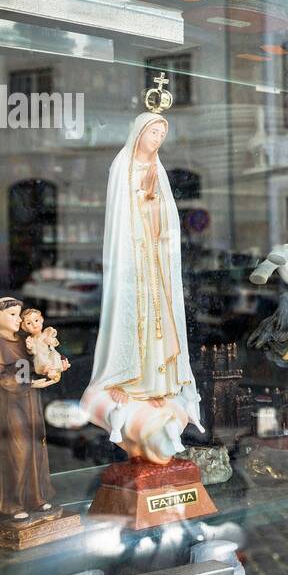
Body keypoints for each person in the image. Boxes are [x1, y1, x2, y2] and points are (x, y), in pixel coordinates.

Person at [81, 97, 203, 464]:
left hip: (154, 259)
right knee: (134, 321)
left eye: (161, 134)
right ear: (139, 132)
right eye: (153, 132)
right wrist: (142, 201)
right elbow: (122, 213)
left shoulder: (158, 168)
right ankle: (128, 380)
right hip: (133, 257)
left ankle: (157, 385)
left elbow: (165, 212)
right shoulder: (124, 164)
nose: (157, 140)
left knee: (158, 323)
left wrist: (155, 206)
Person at [0, 297, 58, 520]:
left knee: (36, 445)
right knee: (18, 449)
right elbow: (1, 376)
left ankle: (35, 498)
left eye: (19, 314)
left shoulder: (23, 340)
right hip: (12, 403)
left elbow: (36, 360)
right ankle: (12, 503)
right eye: (13, 315)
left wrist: (55, 365)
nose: (19, 319)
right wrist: (30, 383)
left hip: (30, 400)